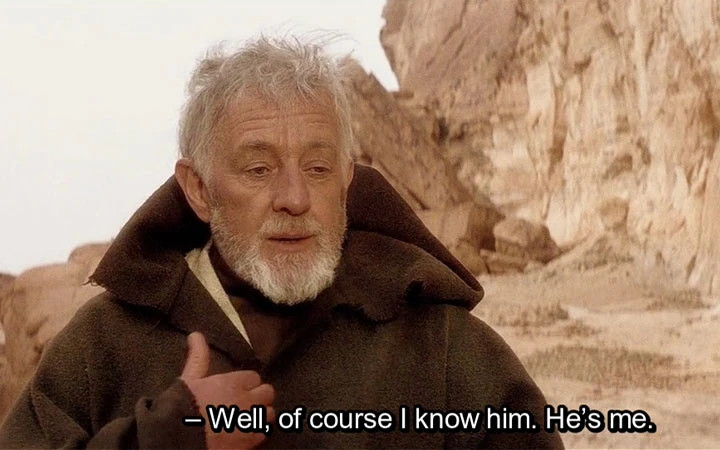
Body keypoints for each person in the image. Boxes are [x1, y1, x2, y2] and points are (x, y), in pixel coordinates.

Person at [0, 35, 563, 449]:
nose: (294, 198)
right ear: (199, 189)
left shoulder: (439, 344)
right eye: (259, 169)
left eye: (317, 169)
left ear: (346, 180)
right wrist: (164, 441)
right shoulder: (104, 344)